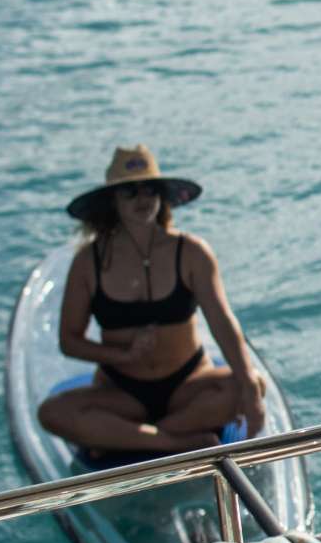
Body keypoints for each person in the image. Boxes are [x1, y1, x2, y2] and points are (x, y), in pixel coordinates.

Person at [38, 145, 266, 459]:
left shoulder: (191, 252)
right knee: (52, 413)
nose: (142, 198)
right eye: (130, 191)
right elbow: (70, 341)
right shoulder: (88, 262)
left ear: (162, 195)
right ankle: (174, 442)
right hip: (121, 391)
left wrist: (250, 386)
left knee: (251, 384)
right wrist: (123, 354)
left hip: (189, 386)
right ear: (113, 200)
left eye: (149, 189)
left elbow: (223, 323)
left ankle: (125, 437)